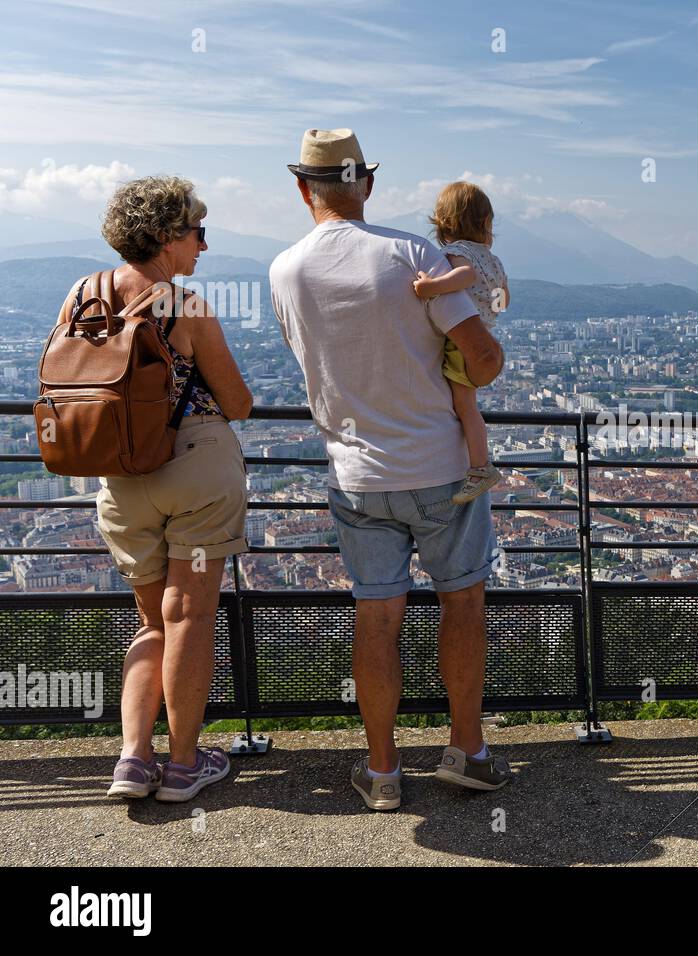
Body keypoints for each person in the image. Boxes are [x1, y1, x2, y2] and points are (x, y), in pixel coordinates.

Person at [269, 129, 512, 811]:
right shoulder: (412, 253)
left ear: (302, 188)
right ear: (366, 183)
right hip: (441, 468)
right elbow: (482, 359)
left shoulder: (284, 270)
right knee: (461, 603)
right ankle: (468, 751)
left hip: (355, 474)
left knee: (377, 618)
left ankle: (382, 771)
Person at [75, 176, 253, 801]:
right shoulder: (187, 305)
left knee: (152, 622)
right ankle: (182, 765)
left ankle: (131, 759)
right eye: (197, 233)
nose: (203, 247)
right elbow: (236, 402)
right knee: (191, 616)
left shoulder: (82, 295)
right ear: (167, 237)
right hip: (195, 473)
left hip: (120, 480)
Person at [411, 181, 507, 504]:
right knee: (469, 405)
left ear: (445, 224)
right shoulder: (493, 260)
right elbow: (503, 299)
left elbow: (464, 277)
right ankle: (478, 465)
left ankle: (480, 467)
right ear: (484, 224)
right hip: (485, 336)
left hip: (461, 343)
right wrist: (486, 307)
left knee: (464, 407)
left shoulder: (458, 253)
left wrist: (432, 287)